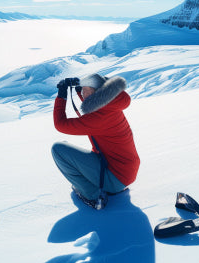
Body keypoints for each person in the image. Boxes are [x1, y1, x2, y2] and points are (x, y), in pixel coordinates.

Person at [52, 73, 140, 210]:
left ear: (98, 92)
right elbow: (93, 105)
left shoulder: (99, 118)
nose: (83, 92)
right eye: (83, 89)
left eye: (87, 89)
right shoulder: (111, 105)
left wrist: (61, 96)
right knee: (68, 149)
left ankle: (93, 196)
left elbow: (60, 124)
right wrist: (78, 90)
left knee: (59, 149)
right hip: (123, 170)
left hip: (116, 177)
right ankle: (104, 186)